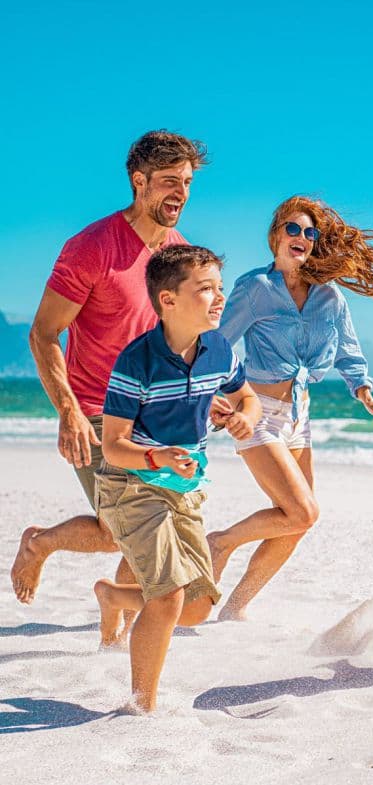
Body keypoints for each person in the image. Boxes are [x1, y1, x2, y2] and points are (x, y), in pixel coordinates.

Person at [11, 130, 207, 607]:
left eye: (185, 181)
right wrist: (70, 412)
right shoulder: (91, 247)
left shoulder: (177, 252)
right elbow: (42, 334)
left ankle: (112, 612)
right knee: (130, 528)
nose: (179, 192)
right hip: (99, 412)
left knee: (134, 525)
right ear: (139, 182)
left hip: (156, 415)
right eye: (167, 181)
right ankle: (40, 545)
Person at [206, 196, 373, 620]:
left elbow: (349, 351)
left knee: (299, 521)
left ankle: (236, 606)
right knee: (301, 510)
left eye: (309, 233)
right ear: (276, 235)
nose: (301, 238)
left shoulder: (329, 298)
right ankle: (220, 542)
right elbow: (217, 342)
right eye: (293, 229)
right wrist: (210, 393)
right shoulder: (255, 289)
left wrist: (364, 392)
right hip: (256, 411)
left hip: (299, 417)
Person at [92, 245, 260, 713]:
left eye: (220, 288)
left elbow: (247, 397)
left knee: (198, 605)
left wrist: (245, 415)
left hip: (184, 487)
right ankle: (140, 706)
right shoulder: (136, 362)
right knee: (167, 597)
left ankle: (113, 596)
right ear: (167, 301)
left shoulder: (219, 349)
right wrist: (158, 456)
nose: (218, 298)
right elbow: (113, 445)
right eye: (205, 289)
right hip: (132, 484)